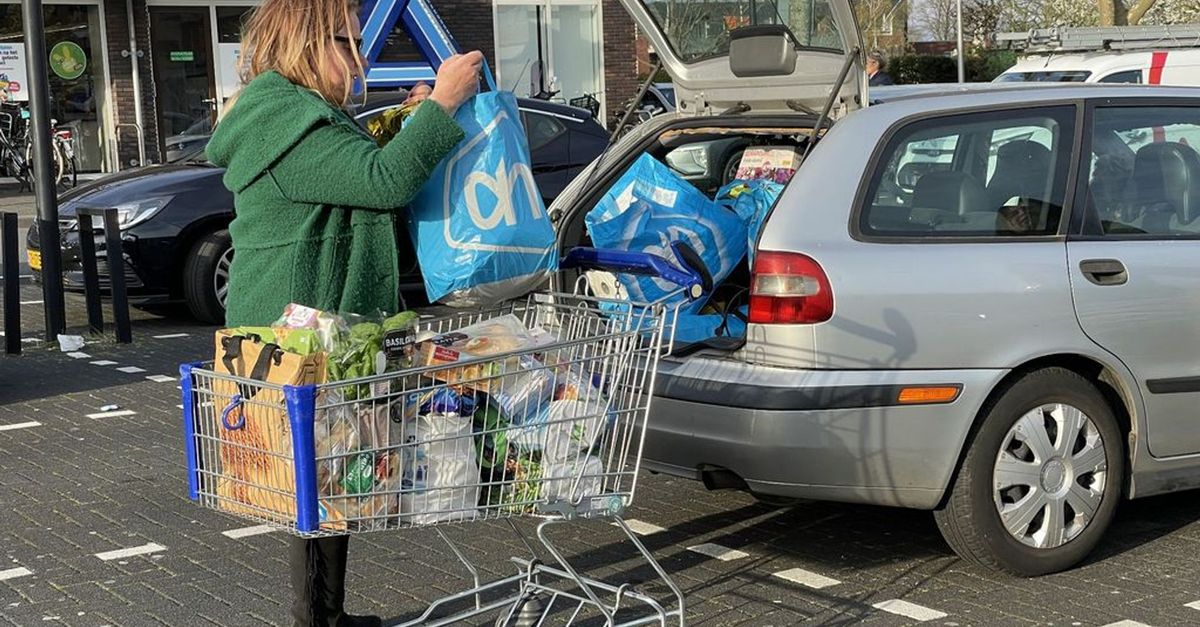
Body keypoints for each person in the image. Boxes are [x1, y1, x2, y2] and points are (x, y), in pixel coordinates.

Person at [205, 0, 483, 623]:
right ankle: (315, 620)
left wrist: (413, 115)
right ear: (307, 42)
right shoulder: (286, 122)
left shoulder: (303, 116)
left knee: (330, 477)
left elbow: (355, 168)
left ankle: (325, 616)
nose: (360, 60)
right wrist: (440, 107)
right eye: (348, 43)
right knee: (312, 482)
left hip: (311, 329)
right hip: (294, 336)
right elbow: (382, 181)